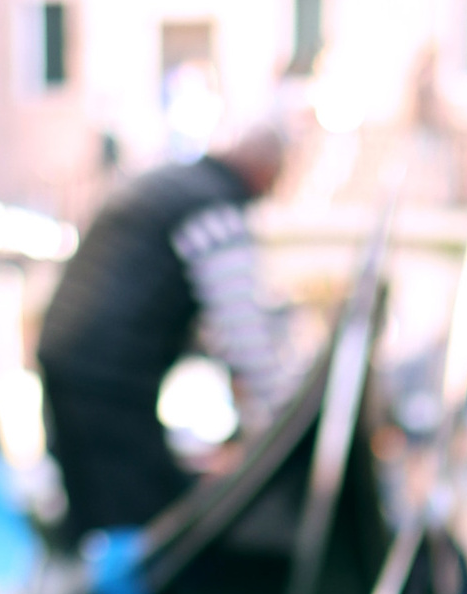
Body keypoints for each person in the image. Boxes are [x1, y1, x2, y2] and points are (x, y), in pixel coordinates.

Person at [36, 122, 296, 544]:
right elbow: (244, 336)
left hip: (66, 356)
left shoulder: (170, 184)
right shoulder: (215, 210)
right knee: (137, 517)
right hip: (109, 378)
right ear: (265, 174)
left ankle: (105, 590)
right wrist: (284, 411)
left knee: (94, 514)